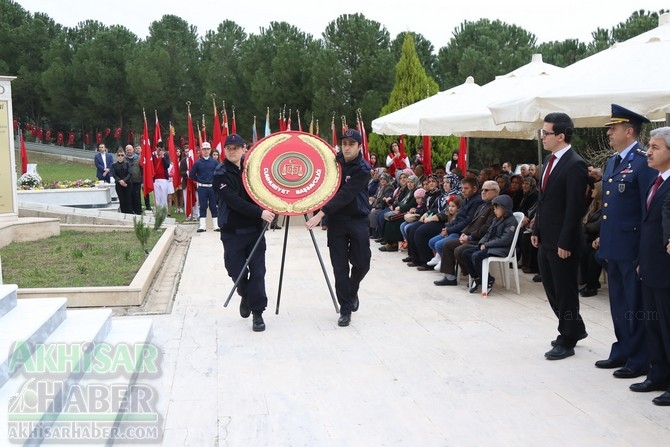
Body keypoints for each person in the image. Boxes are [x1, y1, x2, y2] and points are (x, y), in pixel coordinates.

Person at [590, 104, 657, 377]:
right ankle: (622, 349)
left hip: (632, 248)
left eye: (613, 128)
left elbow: (647, 210)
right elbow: (609, 209)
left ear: (629, 131)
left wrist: (643, 253)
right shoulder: (613, 161)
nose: (608, 133)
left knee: (634, 306)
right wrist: (602, 240)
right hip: (613, 247)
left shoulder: (643, 162)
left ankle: (639, 357)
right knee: (618, 303)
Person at [532, 112, 588, 361]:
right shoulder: (549, 160)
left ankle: (568, 338)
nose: (542, 136)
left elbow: (575, 207)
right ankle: (575, 327)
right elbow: (544, 201)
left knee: (565, 291)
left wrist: (565, 241)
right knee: (551, 287)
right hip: (546, 236)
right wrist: (536, 229)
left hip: (563, 240)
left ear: (561, 136)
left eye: (546, 133)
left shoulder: (575, 164)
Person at [306, 129, 371, 328]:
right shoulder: (333, 162)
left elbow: (345, 194)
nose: (347, 147)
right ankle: (345, 309)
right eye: (344, 143)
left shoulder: (363, 168)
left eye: (352, 144)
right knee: (340, 267)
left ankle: (352, 290)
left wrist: (320, 214)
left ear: (359, 146)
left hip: (357, 219)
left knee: (362, 263)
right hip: (337, 222)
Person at [213, 133, 276, 332]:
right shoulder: (220, 173)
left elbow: (266, 189)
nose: (232, 151)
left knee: (258, 272)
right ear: (224, 151)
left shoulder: (252, 170)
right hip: (232, 231)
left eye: (236, 148)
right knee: (236, 272)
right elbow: (234, 201)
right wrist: (260, 212)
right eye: (228, 148)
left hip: (255, 230)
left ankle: (257, 313)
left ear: (243, 149)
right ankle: (245, 294)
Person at [633, 127, 670, 404]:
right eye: (649, 146)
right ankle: (657, 374)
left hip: (666, 268)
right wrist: (640, 261)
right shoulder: (654, 181)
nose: (649, 151)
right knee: (653, 324)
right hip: (650, 266)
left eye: (655, 147)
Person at [433, 181, 498, 286]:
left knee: (460, 250)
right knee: (448, 245)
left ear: (495, 192)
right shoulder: (483, 205)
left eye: (486, 190)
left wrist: (469, 237)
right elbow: (472, 223)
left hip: (481, 240)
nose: (483, 192)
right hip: (471, 236)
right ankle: (450, 277)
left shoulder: (495, 207)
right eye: (482, 190)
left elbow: (487, 228)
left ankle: (479, 276)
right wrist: (464, 234)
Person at [460, 194, 518, 294]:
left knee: (477, 256)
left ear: (505, 208)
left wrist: (487, 245)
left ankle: (488, 280)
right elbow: (488, 233)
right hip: (491, 246)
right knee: (466, 253)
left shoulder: (511, 221)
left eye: (496, 208)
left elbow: (505, 240)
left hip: (502, 249)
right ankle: (477, 277)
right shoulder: (496, 219)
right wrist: (482, 243)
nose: (494, 210)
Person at [189, 141, 220, 233]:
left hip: (212, 187)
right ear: (201, 151)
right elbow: (191, 174)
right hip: (202, 188)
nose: (206, 151)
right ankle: (202, 226)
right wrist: (199, 180)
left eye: (207, 149)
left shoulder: (214, 162)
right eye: (204, 149)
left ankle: (216, 225)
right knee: (203, 206)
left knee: (213, 206)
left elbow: (219, 174)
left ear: (210, 150)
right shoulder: (198, 163)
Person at [109, 149, 132, 214]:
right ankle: (123, 213)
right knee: (122, 200)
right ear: (117, 156)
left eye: (122, 155)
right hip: (119, 185)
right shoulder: (113, 165)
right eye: (119, 155)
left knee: (128, 200)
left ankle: (129, 213)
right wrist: (120, 181)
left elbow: (130, 173)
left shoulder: (127, 164)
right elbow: (114, 175)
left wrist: (124, 181)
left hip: (127, 184)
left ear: (124, 156)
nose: (120, 156)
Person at [125, 144, 143, 215]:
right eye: (127, 150)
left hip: (136, 181)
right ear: (125, 150)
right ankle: (130, 212)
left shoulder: (138, 159)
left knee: (137, 198)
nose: (129, 151)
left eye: (130, 149)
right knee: (129, 197)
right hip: (127, 182)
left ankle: (138, 212)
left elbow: (142, 169)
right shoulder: (124, 159)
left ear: (133, 150)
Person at [152, 142, 171, 209]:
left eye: (162, 149)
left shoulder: (166, 155)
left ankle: (164, 213)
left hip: (164, 179)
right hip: (155, 179)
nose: (160, 151)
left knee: (163, 197)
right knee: (157, 198)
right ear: (156, 148)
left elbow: (167, 166)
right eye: (159, 149)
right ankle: (158, 213)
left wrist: (163, 157)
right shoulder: (152, 155)